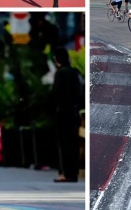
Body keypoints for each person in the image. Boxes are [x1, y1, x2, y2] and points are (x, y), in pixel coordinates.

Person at [52, 47, 82, 183]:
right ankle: (73, 173)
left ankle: (65, 173)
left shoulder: (60, 74)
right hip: (74, 112)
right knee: (73, 143)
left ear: (57, 60)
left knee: (64, 144)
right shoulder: (75, 73)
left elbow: (56, 94)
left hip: (63, 113)